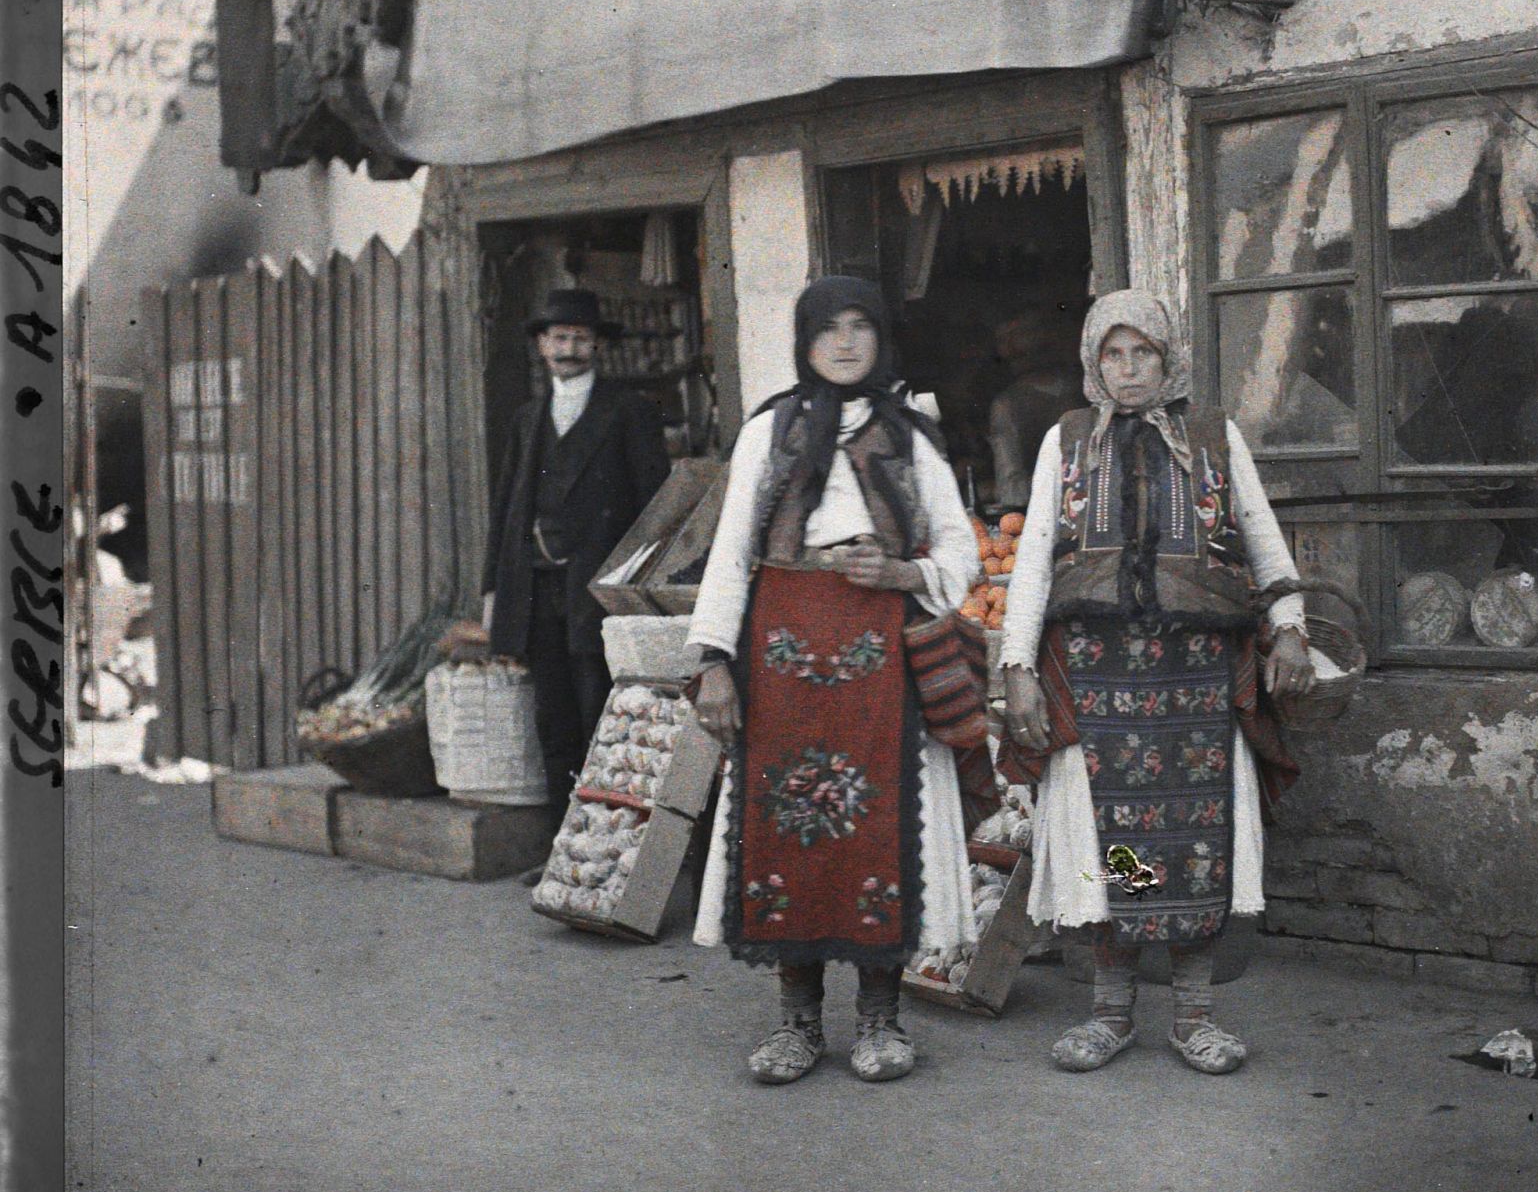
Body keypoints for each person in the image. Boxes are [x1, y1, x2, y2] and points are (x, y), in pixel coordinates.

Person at [997, 288, 1315, 1076]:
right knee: (1110, 848)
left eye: (1142, 352)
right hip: (1096, 675)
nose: (1128, 368)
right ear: (1093, 362)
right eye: (1113, 353)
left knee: (1197, 844)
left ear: (1168, 358)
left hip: (1196, 679)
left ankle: (1194, 1016)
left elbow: (1265, 543)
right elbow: (1034, 557)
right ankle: (1110, 1013)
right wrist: (1018, 669)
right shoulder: (1068, 440)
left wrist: (1295, 626)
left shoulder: (1213, 435)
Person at [685, 276, 981, 1085]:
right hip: (779, 646)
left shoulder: (913, 436)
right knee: (789, 823)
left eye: (861, 327)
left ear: (882, 338)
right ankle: (798, 1022)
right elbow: (732, 551)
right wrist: (714, 659)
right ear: (804, 341)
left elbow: (963, 551)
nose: (845, 343)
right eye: (828, 329)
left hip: (880, 650)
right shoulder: (770, 430)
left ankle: (881, 1020)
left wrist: (899, 569)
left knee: (876, 823)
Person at [482, 289, 671, 812]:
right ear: (542, 345)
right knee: (552, 719)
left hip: (596, 588)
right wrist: (493, 589)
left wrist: (635, 584)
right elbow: (507, 509)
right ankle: (557, 849)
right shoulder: (527, 418)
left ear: (596, 347)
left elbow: (655, 506)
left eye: (580, 339)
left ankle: (606, 845)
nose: (569, 348)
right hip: (537, 589)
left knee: (600, 712)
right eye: (559, 338)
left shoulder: (628, 411)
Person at [987, 312, 1085, 511]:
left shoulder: (1083, 389)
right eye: (1004, 340)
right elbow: (1011, 489)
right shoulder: (1006, 405)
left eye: (1021, 335)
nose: (1012, 347)